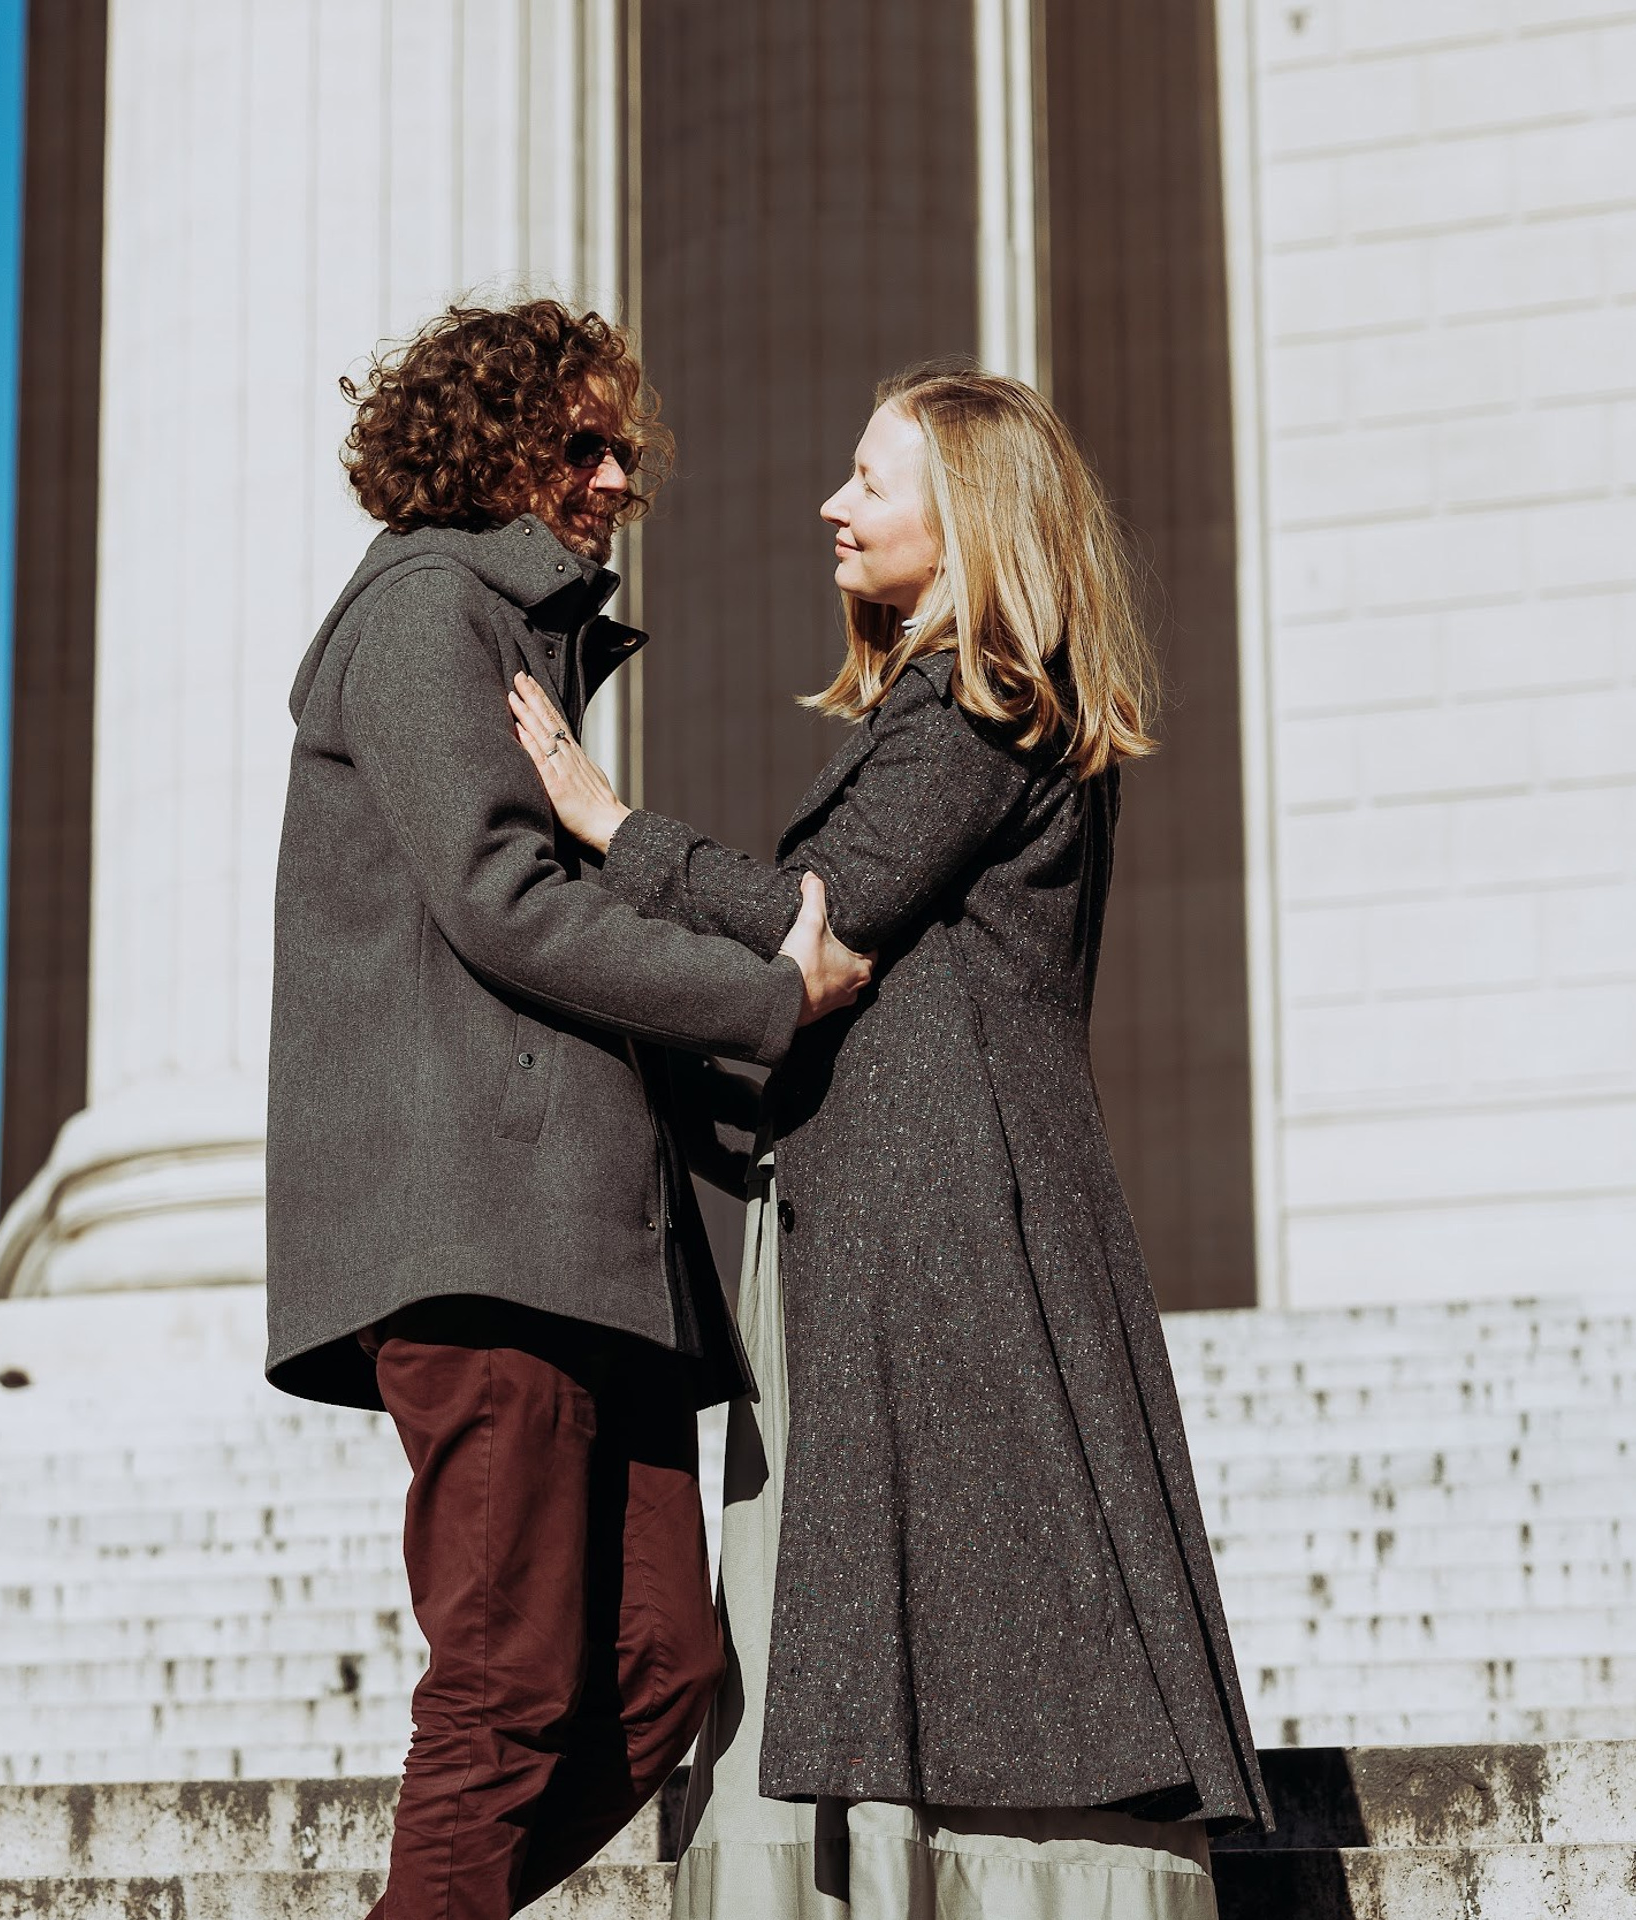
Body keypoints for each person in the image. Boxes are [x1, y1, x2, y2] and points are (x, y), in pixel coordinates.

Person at [509, 365, 1273, 1919]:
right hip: (901, 1201)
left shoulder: (988, 695)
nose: (832, 506)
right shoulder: (963, 703)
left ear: (970, 517)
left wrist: (604, 823)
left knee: (975, 1578)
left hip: (953, 1216)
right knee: (898, 1579)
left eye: (872, 481)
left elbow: (827, 918)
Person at [263, 297, 872, 1920]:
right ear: (483, 442)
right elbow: (503, 904)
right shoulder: (419, 615)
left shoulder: (507, 631)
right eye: (578, 444)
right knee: (513, 1683)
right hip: (480, 1240)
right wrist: (765, 996)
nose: (615, 479)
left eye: (620, 449)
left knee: (664, 1669)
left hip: (590, 1256)